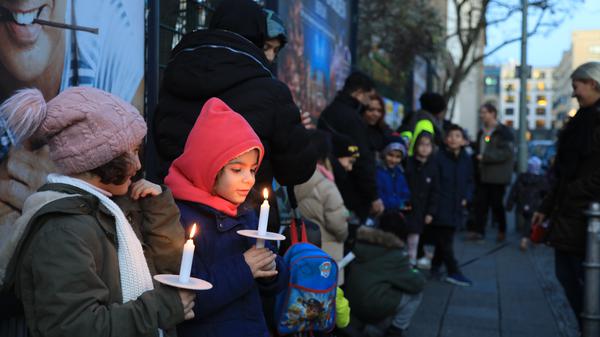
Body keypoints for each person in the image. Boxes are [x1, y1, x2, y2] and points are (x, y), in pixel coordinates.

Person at [0, 87, 194, 337]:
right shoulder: (62, 230)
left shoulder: (115, 209)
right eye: (131, 153)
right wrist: (163, 308)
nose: (138, 165)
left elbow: (172, 269)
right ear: (97, 158)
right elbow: (74, 327)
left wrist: (158, 211)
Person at [153, 0, 318, 197]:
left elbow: (160, 142)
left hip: (176, 208)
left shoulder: (175, 74)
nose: (272, 57)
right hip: (244, 216)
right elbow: (296, 170)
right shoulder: (271, 91)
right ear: (258, 36)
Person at [164, 98, 289, 337]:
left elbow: (275, 283)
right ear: (208, 166)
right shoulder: (179, 216)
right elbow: (189, 300)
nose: (249, 179)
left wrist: (272, 269)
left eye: (252, 170)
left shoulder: (245, 211)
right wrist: (245, 268)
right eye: (237, 169)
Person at [532, 62, 600, 328]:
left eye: (576, 87)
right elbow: (564, 175)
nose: (574, 94)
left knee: (582, 277)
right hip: (571, 213)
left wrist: (573, 192)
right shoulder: (580, 121)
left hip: (588, 215)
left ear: (593, 84)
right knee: (568, 274)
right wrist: (546, 207)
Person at [318, 71, 383, 223]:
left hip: (327, 184)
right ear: (359, 93)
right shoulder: (353, 119)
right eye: (368, 97)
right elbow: (362, 159)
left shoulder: (329, 112)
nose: (368, 103)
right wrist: (373, 196)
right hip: (351, 193)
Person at [344, 226, 425, 337]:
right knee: (416, 295)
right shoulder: (393, 254)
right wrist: (415, 271)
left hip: (349, 303)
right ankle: (395, 330)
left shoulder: (359, 245)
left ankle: (364, 326)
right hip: (372, 306)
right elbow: (417, 284)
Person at [294, 130, 349, 284]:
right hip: (327, 255)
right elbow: (338, 224)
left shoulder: (295, 177)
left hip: (302, 251)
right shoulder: (326, 185)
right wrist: (344, 234)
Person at [432, 125, 474, 286]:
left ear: (463, 141)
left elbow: (470, 181)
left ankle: (435, 266)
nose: (453, 139)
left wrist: (466, 197)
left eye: (458, 136)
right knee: (446, 239)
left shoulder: (466, 159)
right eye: (450, 136)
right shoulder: (439, 157)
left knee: (444, 238)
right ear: (445, 139)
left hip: (457, 205)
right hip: (441, 203)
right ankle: (453, 271)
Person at [468, 102, 514, 242]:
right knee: (480, 204)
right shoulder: (482, 131)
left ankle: (502, 230)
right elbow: (479, 149)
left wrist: (485, 157)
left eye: (484, 112)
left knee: (496, 204)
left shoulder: (503, 131)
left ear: (492, 113)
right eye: (480, 113)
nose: (481, 115)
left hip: (497, 176)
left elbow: (506, 153)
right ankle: (479, 231)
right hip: (482, 174)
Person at [375, 135, 413, 262]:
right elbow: (380, 195)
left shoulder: (399, 173)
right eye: (390, 155)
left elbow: (405, 194)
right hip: (382, 217)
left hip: (396, 216)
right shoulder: (378, 172)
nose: (394, 160)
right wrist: (399, 203)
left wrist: (403, 203)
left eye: (398, 157)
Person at [405, 132, 439, 270]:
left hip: (421, 209)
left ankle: (411, 263)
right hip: (406, 207)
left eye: (428, 145)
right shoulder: (408, 163)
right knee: (403, 237)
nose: (424, 148)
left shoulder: (433, 167)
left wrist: (431, 212)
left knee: (414, 239)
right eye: (421, 144)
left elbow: (435, 192)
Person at [506, 156, 549, 251]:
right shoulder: (541, 180)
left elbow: (514, 191)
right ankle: (525, 239)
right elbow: (546, 193)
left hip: (522, 204)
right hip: (534, 205)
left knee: (528, 221)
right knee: (530, 221)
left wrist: (510, 205)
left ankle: (528, 238)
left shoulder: (522, 177)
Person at [400, 92, 447, 156]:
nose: (443, 114)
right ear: (437, 111)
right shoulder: (426, 124)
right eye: (443, 110)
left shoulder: (413, 117)